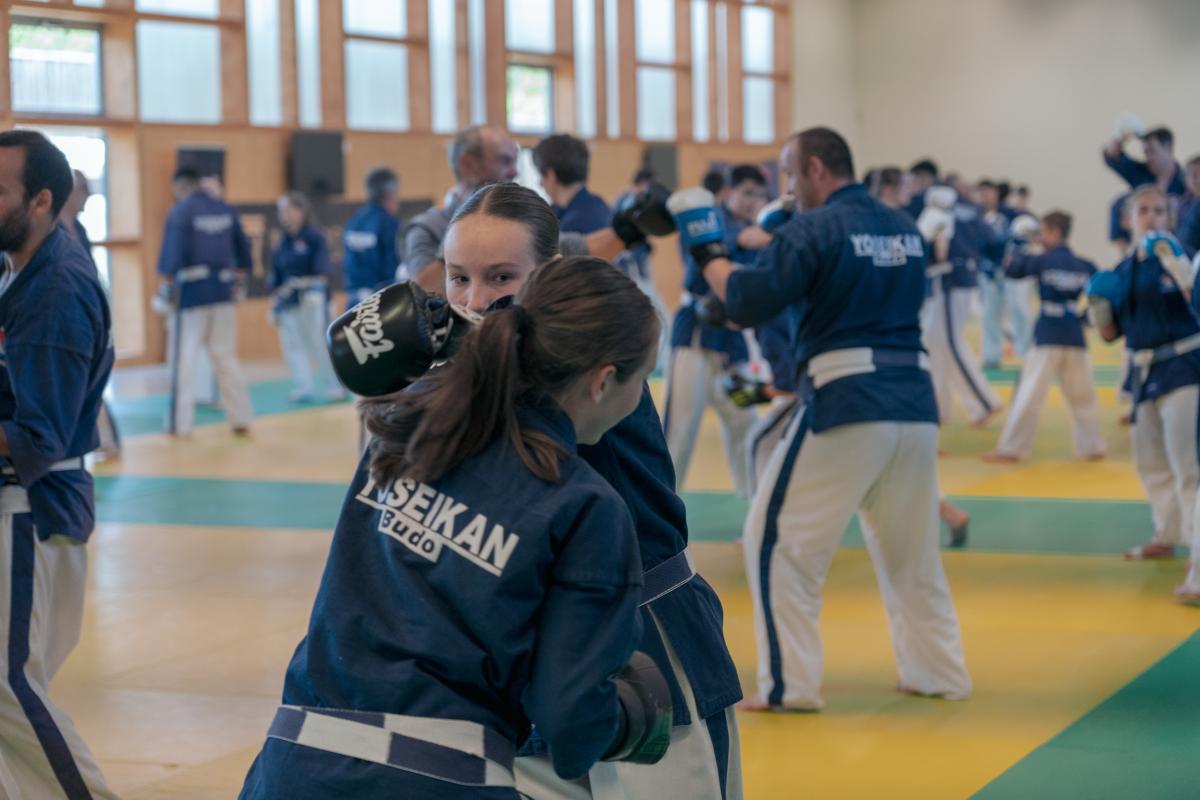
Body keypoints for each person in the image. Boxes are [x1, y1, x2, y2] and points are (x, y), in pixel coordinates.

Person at [338, 183, 744, 799]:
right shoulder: (464, 372)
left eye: (501, 277)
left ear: (551, 277)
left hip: (646, 634)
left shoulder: (591, 360)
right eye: (457, 278)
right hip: (528, 664)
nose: (476, 301)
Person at [241, 256, 672, 798]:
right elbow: (569, 723)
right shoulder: (584, 506)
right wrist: (623, 718)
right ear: (603, 381)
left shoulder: (410, 424)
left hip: (289, 763)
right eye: (643, 378)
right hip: (437, 778)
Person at [669, 127, 971, 710]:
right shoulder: (903, 227)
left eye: (790, 172)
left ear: (813, 168)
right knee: (912, 554)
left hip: (847, 397)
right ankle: (939, 672)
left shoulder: (816, 229)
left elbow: (745, 300)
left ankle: (790, 687)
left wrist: (707, 251)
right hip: (913, 401)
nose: (787, 185)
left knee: (775, 540)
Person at [0, 130, 118, 799]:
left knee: (9, 683)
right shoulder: (20, 265)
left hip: (32, 510)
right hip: (24, 506)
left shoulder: (55, 293)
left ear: (41, 200)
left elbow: (38, 435)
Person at [401, 126, 668, 290]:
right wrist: (467, 223)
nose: (514, 171)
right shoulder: (427, 227)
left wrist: (630, 227)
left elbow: (576, 248)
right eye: (504, 161)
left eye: (516, 161)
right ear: (468, 164)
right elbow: (427, 284)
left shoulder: (518, 222)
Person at [1087, 185, 1200, 574]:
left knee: (1188, 465)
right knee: (1151, 462)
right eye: (1143, 211)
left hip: (1184, 367)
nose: (1151, 217)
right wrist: (1099, 308)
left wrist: (1181, 270)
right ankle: (1167, 534)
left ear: (1171, 218)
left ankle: (1199, 563)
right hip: (1142, 372)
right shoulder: (1121, 272)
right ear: (1128, 220)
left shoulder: (1183, 257)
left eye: (1159, 211)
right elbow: (1110, 335)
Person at [663, 164, 770, 498]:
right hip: (694, 336)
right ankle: (660, 510)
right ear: (729, 191)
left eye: (760, 195)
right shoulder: (709, 220)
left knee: (745, 423)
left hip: (732, 343)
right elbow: (696, 270)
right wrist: (741, 238)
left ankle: (756, 503)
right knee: (680, 428)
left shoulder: (759, 232)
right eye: (747, 192)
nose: (753, 201)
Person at [984, 211, 1104, 463]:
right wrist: (1085, 319)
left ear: (1055, 232)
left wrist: (1017, 245)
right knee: (1083, 395)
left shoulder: (1043, 261)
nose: (1039, 237)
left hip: (1048, 333)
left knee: (1029, 394)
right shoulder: (1085, 265)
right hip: (1074, 332)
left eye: (1043, 232)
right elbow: (1103, 294)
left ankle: (1012, 448)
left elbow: (1011, 270)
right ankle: (1092, 446)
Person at [156, 167, 254, 438]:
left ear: (180, 186)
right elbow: (244, 255)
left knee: (184, 359)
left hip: (192, 294)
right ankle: (241, 417)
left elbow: (171, 261)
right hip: (222, 291)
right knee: (225, 356)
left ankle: (180, 423)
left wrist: (166, 288)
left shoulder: (181, 211)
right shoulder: (225, 209)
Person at [919, 185, 1004, 427]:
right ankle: (940, 408)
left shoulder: (938, 214)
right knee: (935, 345)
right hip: (962, 279)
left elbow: (941, 251)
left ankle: (984, 402)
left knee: (950, 344)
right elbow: (992, 240)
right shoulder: (969, 213)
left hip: (947, 281)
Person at [59, 168, 121, 459]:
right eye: (82, 190)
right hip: (62, 314)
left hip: (87, 314)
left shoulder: (79, 230)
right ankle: (100, 439)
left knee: (91, 377)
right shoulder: (52, 232)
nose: (86, 197)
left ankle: (105, 439)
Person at [269, 191, 344, 403]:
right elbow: (276, 277)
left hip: (314, 300)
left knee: (320, 343)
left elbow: (323, 272)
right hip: (289, 300)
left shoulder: (314, 236)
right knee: (293, 345)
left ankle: (335, 386)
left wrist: (311, 289)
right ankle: (303, 387)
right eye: (281, 211)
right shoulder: (283, 241)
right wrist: (276, 301)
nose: (284, 215)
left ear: (301, 210)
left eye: (288, 210)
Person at [1103, 119, 1187, 251]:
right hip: (1139, 249)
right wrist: (1121, 136)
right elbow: (1112, 156)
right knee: (1119, 202)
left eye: (1152, 151)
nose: (1148, 157)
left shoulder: (1188, 182)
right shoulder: (1140, 173)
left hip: (1178, 250)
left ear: (1169, 148)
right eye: (1145, 152)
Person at [977, 179, 1033, 368]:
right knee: (989, 314)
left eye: (988, 192)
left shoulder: (1011, 214)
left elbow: (1026, 234)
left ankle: (1025, 353)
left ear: (996, 193)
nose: (985, 196)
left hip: (1013, 273)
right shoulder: (976, 216)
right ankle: (991, 355)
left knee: (1020, 311)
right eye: (981, 192)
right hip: (988, 272)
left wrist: (1015, 254)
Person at [342, 166, 401, 308]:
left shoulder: (354, 221)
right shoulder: (388, 224)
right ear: (390, 193)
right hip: (380, 301)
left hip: (354, 301)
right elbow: (391, 266)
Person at [534, 134, 612, 234]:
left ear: (551, 175)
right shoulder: (598, 203)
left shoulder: (572, 226)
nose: (540, 183)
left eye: (541, 175)